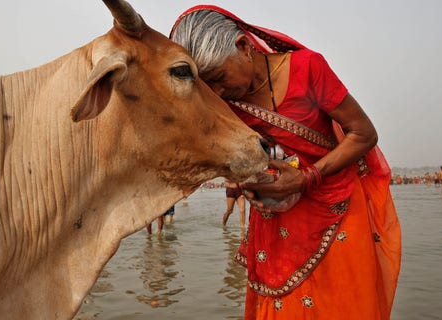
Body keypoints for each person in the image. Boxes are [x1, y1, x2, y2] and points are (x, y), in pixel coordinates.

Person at [171, 6, 401, 319]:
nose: (219, 92)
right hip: (275, 219)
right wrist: (248, 182)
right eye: (209, 87)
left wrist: (306, 178)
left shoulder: (308, 69)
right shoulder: (223, 102)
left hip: (337, 207)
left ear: (243, 46)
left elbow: (363, 134)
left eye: (219, 78)